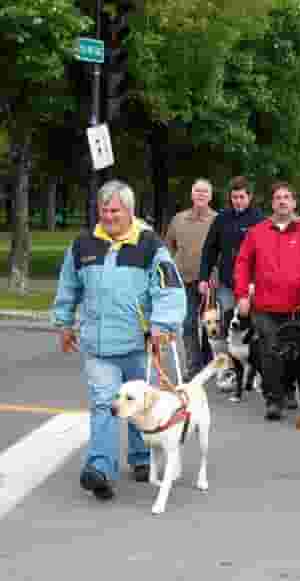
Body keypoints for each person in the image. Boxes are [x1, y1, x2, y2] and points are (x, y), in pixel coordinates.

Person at [51, 180, 186, 501]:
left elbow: (169, 288)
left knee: (141, 404)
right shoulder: (83, 244)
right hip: (98, 346)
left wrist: (162, 325)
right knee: (104, 404)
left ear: (129, 211)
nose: (108, 216)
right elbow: (68, 285)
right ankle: (101, 469)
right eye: (104, 210)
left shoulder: (151, 245)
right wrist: (65, 322)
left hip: (139, 344)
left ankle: (141, 457)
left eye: (115, 210)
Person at [233, 181, 300, 419]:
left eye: (287, 197)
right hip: (265, 306)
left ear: (294, 203)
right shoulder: (258, 232)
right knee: (269, 350)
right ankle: (273, 400)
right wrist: (243, 295)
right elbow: (243, 263)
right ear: (272, 203)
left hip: (297, 307)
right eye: (278, 197)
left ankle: (288, 388)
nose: (283, 201)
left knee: (295, 351)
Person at [165, 178, 218, 379]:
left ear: (210, 196)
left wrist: (215, 273)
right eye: (197, 191)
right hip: (183, 280)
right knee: (188, 324)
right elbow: (169, 245)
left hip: (209, 282)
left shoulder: (217, 219)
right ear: (192, 194)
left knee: (209, 325)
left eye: (205, 192)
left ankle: (208, 362)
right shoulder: (178, 219)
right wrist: (172, 266)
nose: (201, 195)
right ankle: (192, 366)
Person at [198, 175, 264, 316]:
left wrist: (255, 282)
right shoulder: (222, 218)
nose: (238, 201)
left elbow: (265, 256)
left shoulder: (259, 220)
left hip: (251, 284)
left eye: (241, 197)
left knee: (250, 323)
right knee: (224, 320)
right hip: (227, 281)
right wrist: (204, 277)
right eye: (234, 197)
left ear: (249, 197)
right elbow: (209, 250)